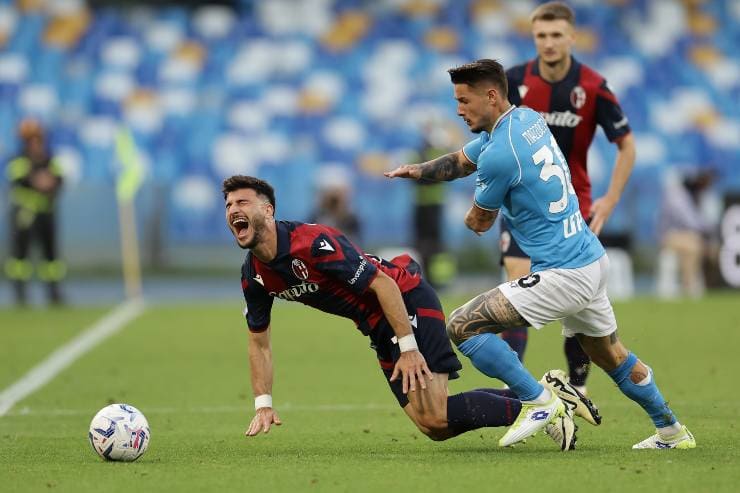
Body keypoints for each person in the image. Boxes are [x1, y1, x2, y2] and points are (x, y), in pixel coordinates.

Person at [385, 59, 695, 449]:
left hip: (563, 273)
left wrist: (478, 202)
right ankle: (671, 431)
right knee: (612, 355)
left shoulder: (501, 155)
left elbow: (478, 223)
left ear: (492, 96)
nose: (458, 110)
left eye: (464, 101)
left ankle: (540, 400)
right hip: (590, 259)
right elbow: (462, 160)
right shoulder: (525, 120)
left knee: (462, 327)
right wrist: (419, 171)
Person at [223, 174, 588, 451]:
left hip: (406, 298)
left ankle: (547, 407)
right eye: (227, 205)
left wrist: (409, 347)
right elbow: (259, 344)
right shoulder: (253, 275)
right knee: (434, 428)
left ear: (267, 210)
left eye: (242, 202)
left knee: (436, 412)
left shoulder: (313, 242)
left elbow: (383, 284)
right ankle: (541, 393)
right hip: (377, 326)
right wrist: (263, 403)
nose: (233, 210)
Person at [498, 1, 636, 396]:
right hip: (522, 208)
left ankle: (576, 390)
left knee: (577, 310)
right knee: (515, 287)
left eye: (557, 35)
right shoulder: (513, 83)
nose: (549, 43)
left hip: (573, 209)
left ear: (571, 38)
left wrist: (609, 200)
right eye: (542, 35)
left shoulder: (593, 86)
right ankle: (519, 392)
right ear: (533, 37)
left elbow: (627, 146)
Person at [4, 118, 65, 305]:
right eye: (31, 139)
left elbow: (60, 179)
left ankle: (53, 292)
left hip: (46, 213)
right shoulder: (18, 159)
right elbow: (18, 179)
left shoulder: (49, 159)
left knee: (50, 256)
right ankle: (20, 293)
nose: (35, 143)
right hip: (24, 214)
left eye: (38, 138)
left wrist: (47, 182)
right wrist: (38, 182)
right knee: (20, 255)